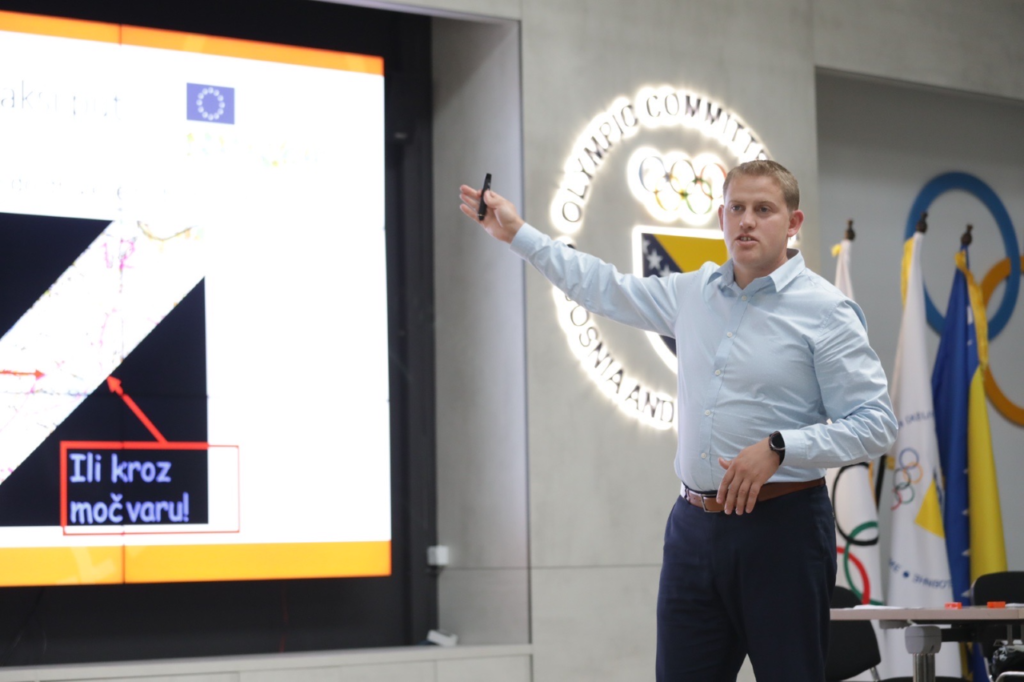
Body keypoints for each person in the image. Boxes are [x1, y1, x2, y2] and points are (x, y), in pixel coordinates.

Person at [459, 159, 897, 682]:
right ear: (721, 218)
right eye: (736, 208)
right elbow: (602, 286)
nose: (747, 221)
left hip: (783, 531)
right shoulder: (693, 293)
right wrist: (519, 234)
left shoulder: (826, 310)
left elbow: (877, 423)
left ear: (793, 223)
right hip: (693, 531)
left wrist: (781, 447)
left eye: (763, 209)